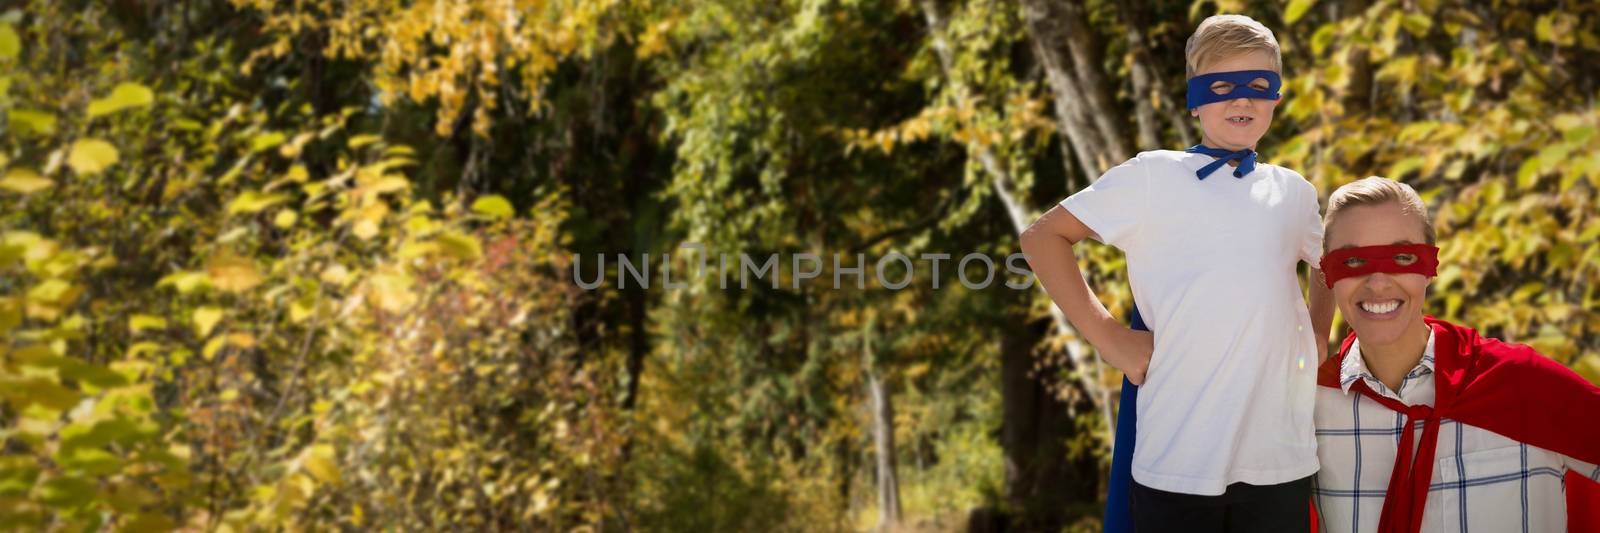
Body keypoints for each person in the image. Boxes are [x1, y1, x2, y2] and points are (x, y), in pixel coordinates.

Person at [1021, 14, 1333, 532]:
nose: (1242, 100)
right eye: (1221, 86)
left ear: (1277, 97)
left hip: (1279, 453)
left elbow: (1328, 263)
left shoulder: (1294, 191)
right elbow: (1041, 238)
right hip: (1179, 455)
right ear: (1194, 99)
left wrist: (1320, 333)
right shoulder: (1152, 177)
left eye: (1259, 85)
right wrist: (1108, 337)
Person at [1310, 176, 1600, 532]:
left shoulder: (1523, 384)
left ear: (1431, 267)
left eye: (1402, 257)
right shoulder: (1308, 409)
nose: (1378, 282)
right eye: (1353, 261)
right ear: (1326, 274)